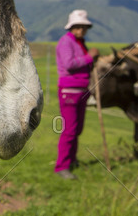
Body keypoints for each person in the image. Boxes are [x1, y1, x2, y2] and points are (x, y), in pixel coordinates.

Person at [54, 9, 99, 180]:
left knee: (77, 129)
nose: (81, 30)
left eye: (84, 27)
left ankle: (72, 160)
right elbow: (69, 64)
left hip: (81, 90)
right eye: (78, 27)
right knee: (69, 130)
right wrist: (90, 57)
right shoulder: (66, 42)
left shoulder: (80, 42)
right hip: (69, 91)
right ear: (72, 27)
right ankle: (62, 167)